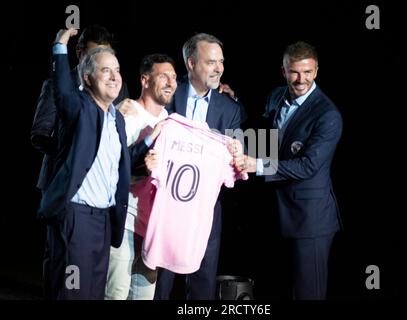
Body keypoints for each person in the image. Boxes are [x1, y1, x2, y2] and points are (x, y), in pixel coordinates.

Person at [39, 28, 158, 300]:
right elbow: (61, 89)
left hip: (104, 221)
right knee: (72, 292)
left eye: (117, 70)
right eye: (106, 71)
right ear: (87, 76)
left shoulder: (116, 118)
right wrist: (59, 46)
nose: (115, 76)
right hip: (76, 218)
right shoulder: (78, 107)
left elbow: (120, 161)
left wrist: (152, 139)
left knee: (93, 292)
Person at [236, 41, 343, 299]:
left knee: (308, 294)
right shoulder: (275, 95)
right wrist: (233, 103)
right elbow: (264, 138)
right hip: (276, 214)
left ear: (316, 71)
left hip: (310, 221)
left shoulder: (328, 115)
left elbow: (307, 166)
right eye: (294, 72)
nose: (301, 79)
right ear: (283, 71)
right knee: (278, 288)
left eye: (307, 72)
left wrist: (256, 164)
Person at [154, 33, 245, 300]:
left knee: (202, 287)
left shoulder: (230, 108)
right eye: (211, 62)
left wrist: (242, 157)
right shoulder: (168, 95)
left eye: (222, 62)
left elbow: (241, 157)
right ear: (191, 64)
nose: (219, 68)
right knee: (159, 284)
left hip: (205, 210)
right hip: (164, 208)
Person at [105, 54, 177, 300]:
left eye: (174, 77)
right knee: (116, 294)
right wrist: (140, 168)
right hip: (125, 221)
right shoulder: (126, 114)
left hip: (154, 226)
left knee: (144, 297)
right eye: (163, 76)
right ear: (145, 80)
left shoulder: (171, 121)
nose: (171, 82)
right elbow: (110, 167)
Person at [31, 24, 129, 191]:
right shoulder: (55, 85)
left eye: (105, 55)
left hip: (102, 185)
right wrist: (75, 152)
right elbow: (39, 135)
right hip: (60, 184)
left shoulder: (118, 87)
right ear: (79, 53)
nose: (99, 61)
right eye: (93, 55)